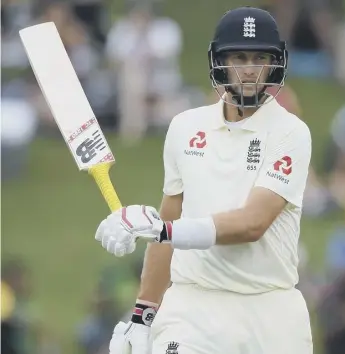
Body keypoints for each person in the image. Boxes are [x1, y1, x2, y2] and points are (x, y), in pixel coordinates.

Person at [95, 6, 313, 354]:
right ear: (220, 62)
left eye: (260, 58)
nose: (249, 70)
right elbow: (169, 220)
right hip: (193, 306)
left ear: (275, 63)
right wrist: (142, 314)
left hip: (269, 309)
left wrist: (161, 229)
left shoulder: (291, 132)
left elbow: (251, 224)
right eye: (238, 57)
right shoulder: (184, 127)